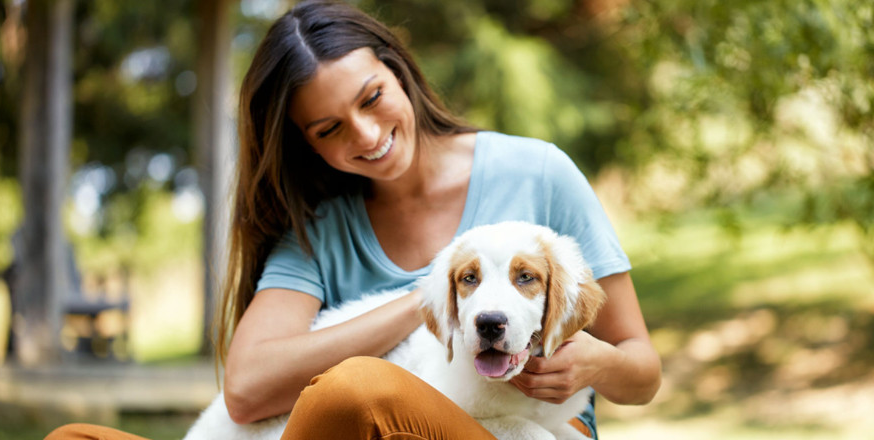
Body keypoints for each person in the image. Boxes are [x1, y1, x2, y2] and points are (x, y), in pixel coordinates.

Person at [46, 1, 660, 439]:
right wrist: (436, 299)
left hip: (513, 428)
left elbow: (642, 369)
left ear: (399, 69)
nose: (367, 136)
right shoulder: (318, 229)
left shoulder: (537, 172)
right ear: (305, 145)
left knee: (358, 393)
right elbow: (247, 388)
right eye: (328, 129)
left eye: (371, 97)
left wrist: (594, 363)